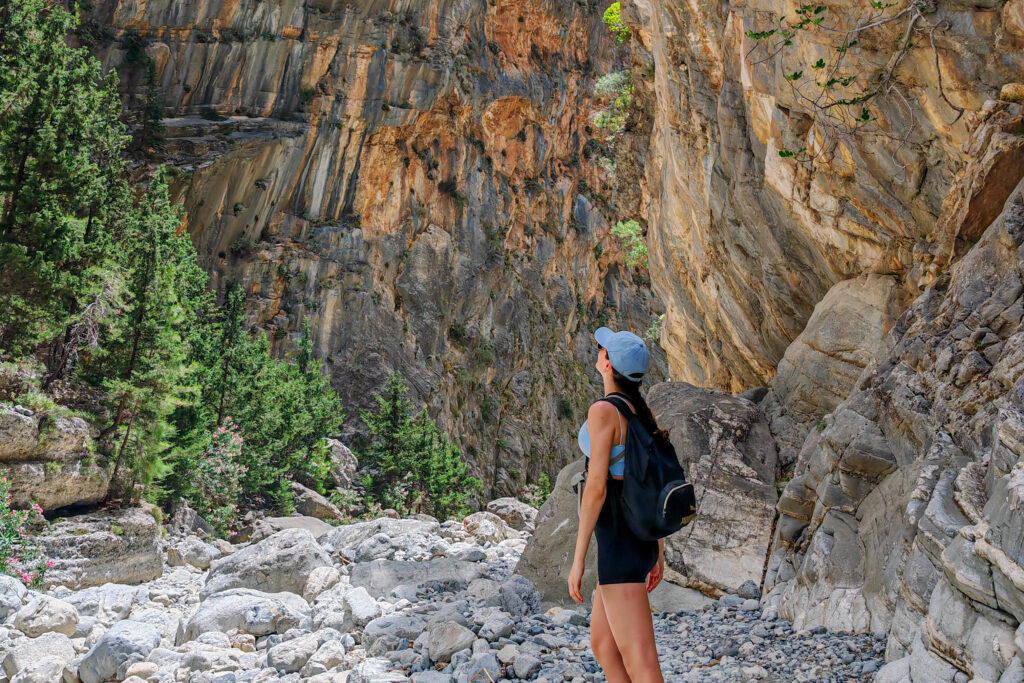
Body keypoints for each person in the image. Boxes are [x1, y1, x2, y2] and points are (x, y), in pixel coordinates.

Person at [568, 326, 666, 683]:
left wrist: (578, 560)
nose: (598, 352)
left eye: (601, 349)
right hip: (634, 539)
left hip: (619, 544)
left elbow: (596, 489)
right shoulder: (642, 412)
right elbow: (651, 484)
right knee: (604, 646)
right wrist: (658, 548)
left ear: (608, 364)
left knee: (641, 661)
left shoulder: (603, 412)